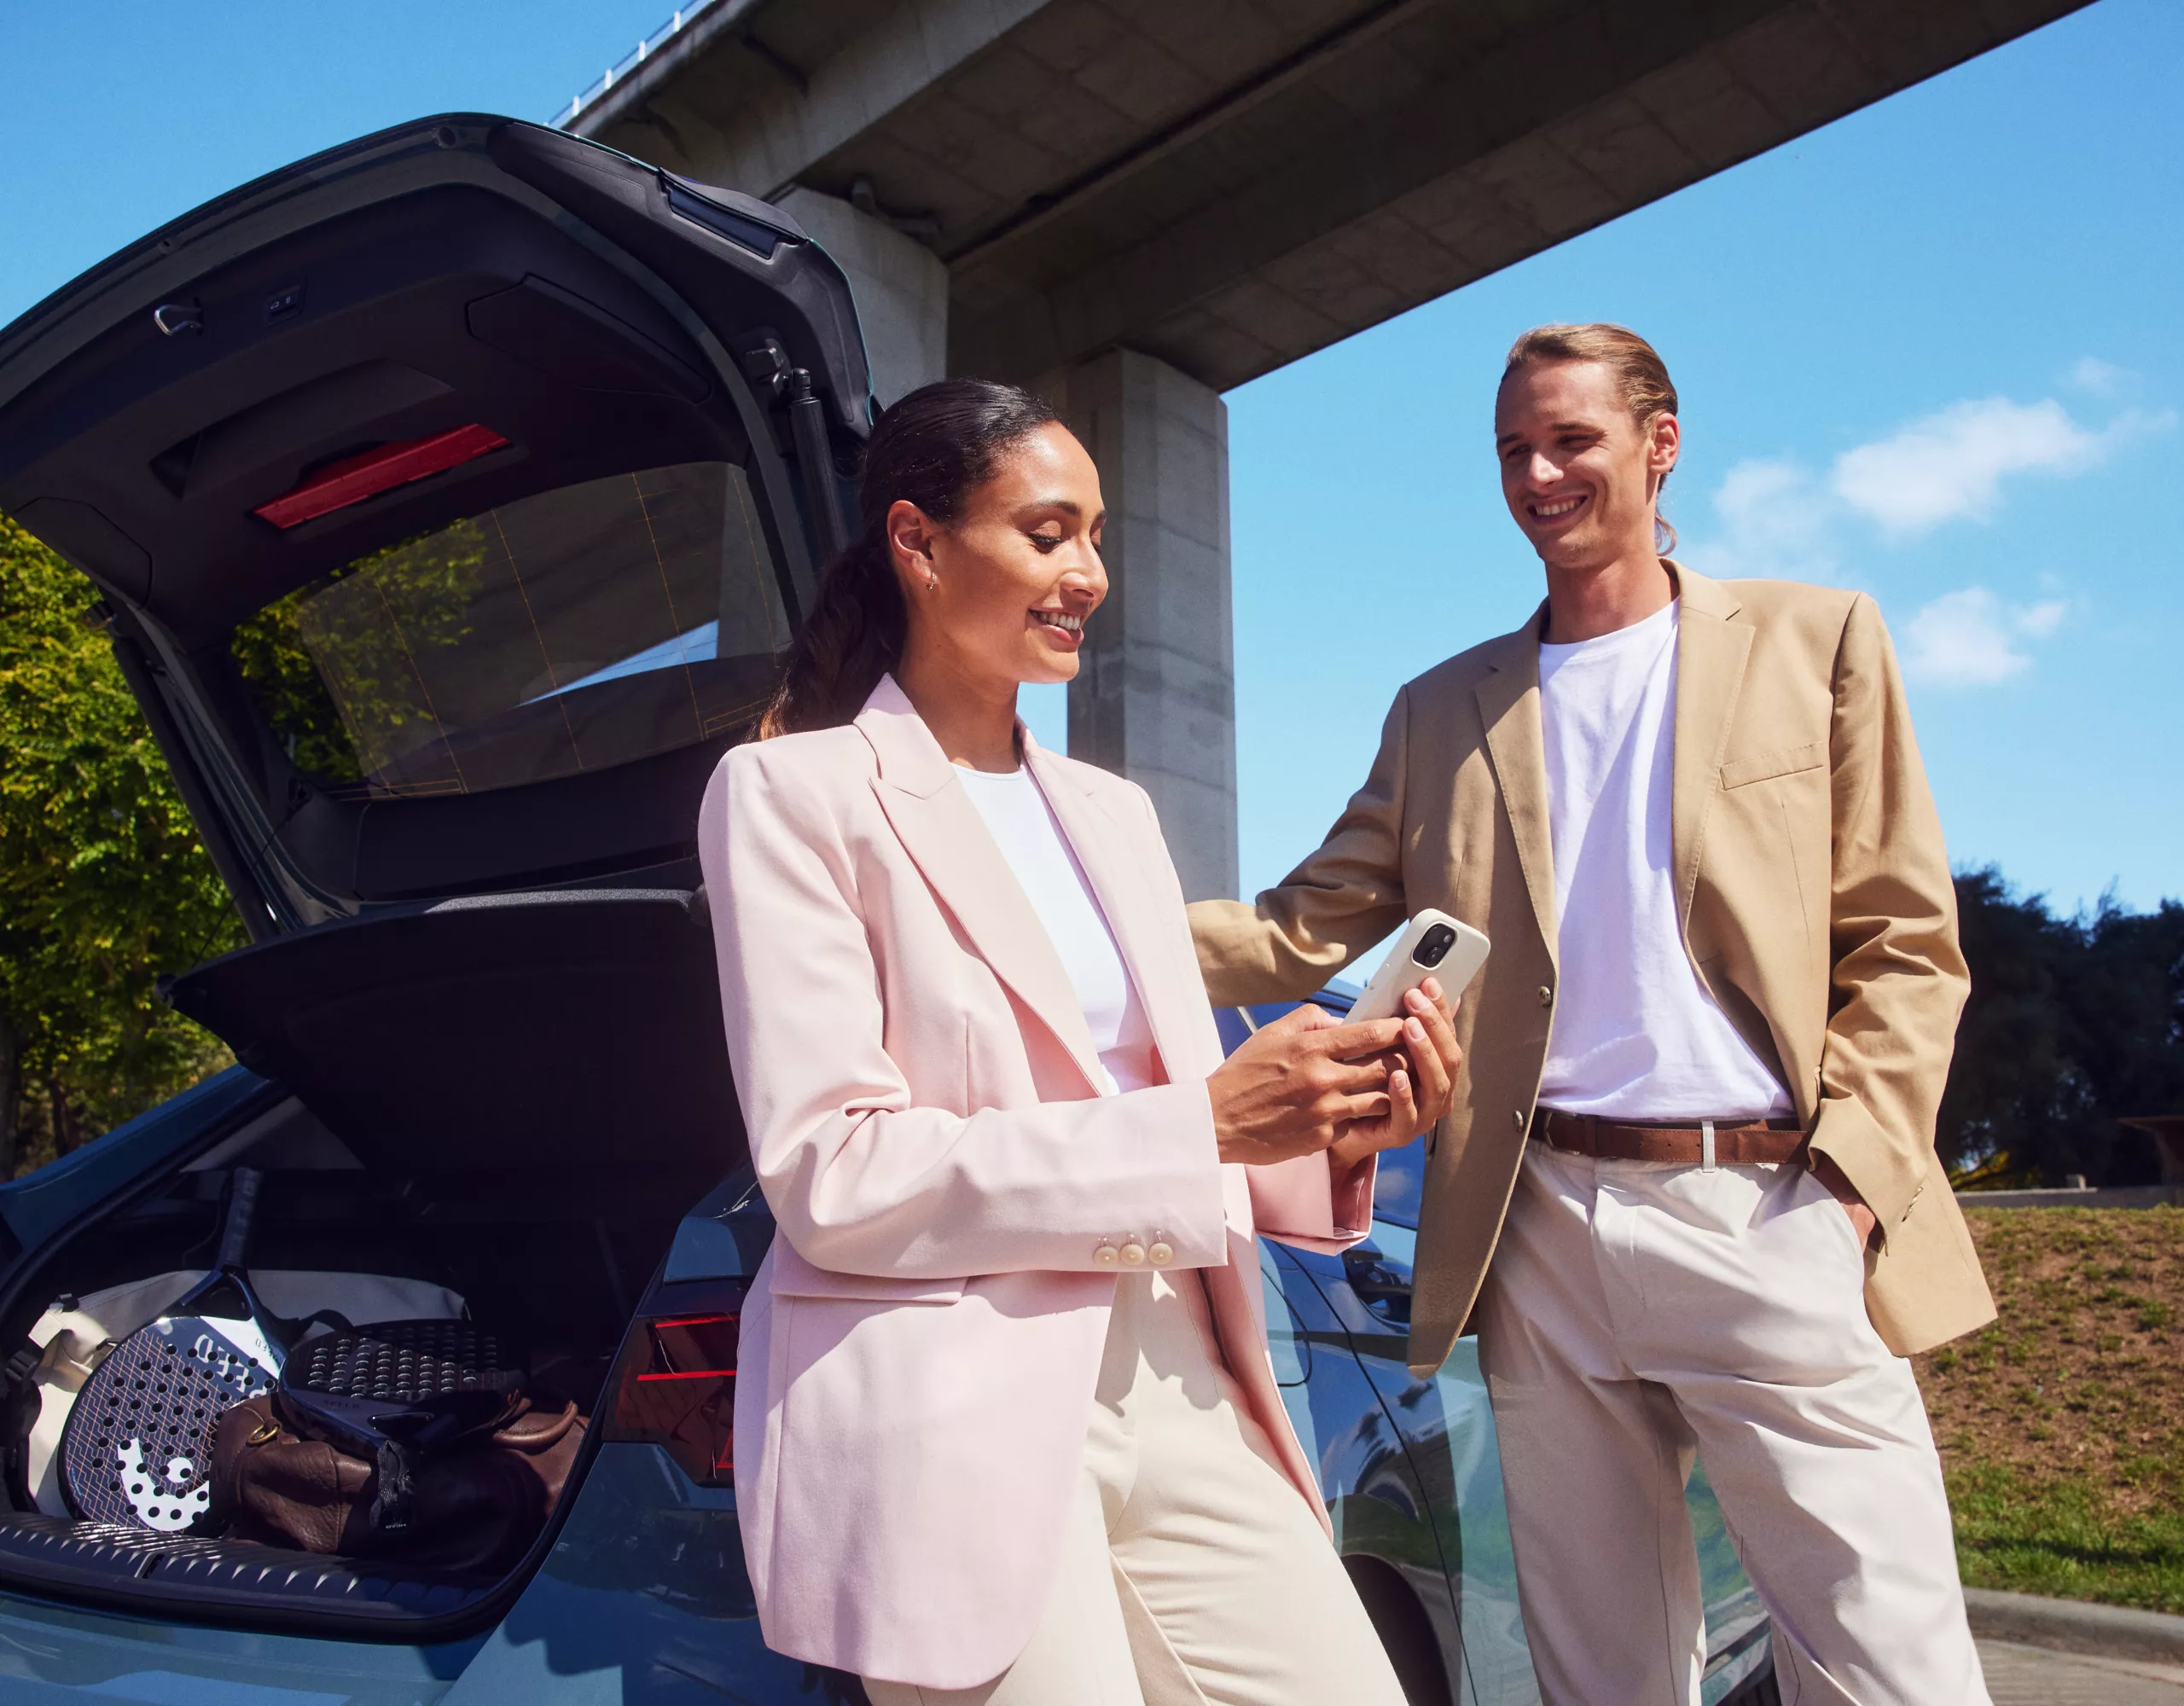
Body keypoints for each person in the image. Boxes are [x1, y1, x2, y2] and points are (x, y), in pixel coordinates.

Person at [1188, 324, 1998, 1705]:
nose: (1540, 474)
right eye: (1515, 449)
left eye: (1572, 439)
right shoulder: (1443, 708)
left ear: (1658, 442)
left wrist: (1850, 1189)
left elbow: (1907, 945)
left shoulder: (1818, 642)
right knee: (1597, 1677)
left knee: (1888, 1669)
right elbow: (1297, 927)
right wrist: (1063, 913)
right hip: (1539, 1229)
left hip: (1765, 1209)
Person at [698, 379, 1463, 1705]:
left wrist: (1333, 1133)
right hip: (946, 1392)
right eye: (1048, 534)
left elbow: (1171, 1122)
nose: (1090, 573)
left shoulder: (1114, 814)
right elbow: (835, 1173)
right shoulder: (787, 796)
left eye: (1097, 535)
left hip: (1180, 1364)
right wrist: (1209, 1123)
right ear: (919, 543)